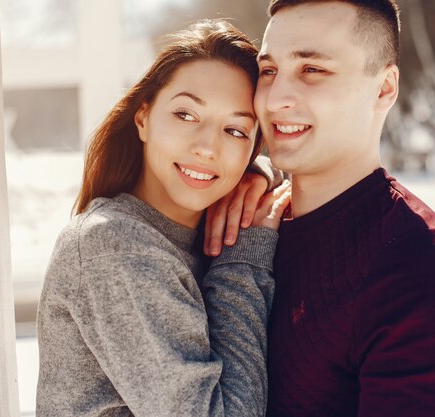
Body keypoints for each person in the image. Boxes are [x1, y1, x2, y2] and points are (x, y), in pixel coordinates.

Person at [205, 1, 435, 416]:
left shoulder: (422, 271)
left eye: (312, 70)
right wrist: (253, 170)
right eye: (268, 71)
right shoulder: (234, 220)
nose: (275, 99)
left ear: (384, 89)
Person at [35, 19, 291, 417]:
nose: (207, 147)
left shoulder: (184, 232)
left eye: (235, 131)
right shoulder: (114, 246)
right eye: (186, 115)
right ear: (143, 119)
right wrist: (241, 258)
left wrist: (259, 176)